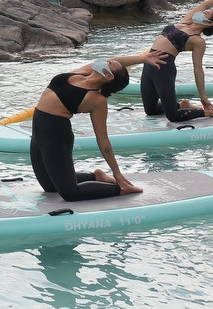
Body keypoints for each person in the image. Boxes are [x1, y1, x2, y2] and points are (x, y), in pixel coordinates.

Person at [30, 51, 169, 201]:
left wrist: (117, 173)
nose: (106, 61)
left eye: (109, 64)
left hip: (56, 136)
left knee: (70, 194)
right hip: (37, 132)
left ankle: (120, 190)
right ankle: (96, 176)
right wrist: (142, 59)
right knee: (50, 187)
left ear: (108, 76)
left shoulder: (97, 100)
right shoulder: (82, 74)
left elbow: (103, 141)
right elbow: (117, 60)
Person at [140, 0, 213, 121]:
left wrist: (203, 98)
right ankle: (182, 105)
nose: (202, 11)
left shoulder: (197, 41)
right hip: (148, 64)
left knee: (173, 116)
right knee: (151, 110)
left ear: (208, 23)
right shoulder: (186, 21)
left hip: (163, 68)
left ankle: (207, 113)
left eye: (206, 13)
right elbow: (205, 4)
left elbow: (198, 69)